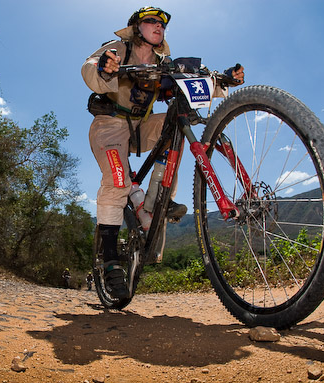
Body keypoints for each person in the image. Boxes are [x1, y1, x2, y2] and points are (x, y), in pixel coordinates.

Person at [82, 7, 244, 299]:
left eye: (162, 24)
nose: (159, 26)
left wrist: (224, 81)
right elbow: (92, 65)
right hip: (109, 125)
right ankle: (109, 260)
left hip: (142, 126)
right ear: (136, 27)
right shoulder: (119, 48)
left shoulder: (163, 62)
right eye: (151, 21)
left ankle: (155, 203)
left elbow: (191, 80)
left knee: (176, 125)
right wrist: (104, 67)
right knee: (118, 180)